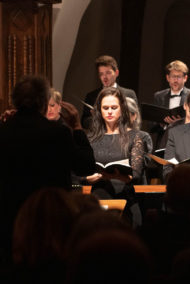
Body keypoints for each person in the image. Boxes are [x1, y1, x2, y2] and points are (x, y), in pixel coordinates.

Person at [0, 75, 96, 263]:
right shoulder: (57, 133)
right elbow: (86, 166)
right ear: (43, 102)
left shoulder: (3, 131)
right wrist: (77, 127)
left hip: (9, 218)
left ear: (15, 101)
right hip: (50, 219)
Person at [84, 87, 145, 227]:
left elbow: (136, 175)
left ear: (122, 109)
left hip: (125, 202)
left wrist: (116, 176)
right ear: (99, 110)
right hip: (97, 202)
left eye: (114, 107)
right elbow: (78, 174)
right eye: (105, 108)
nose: (110, 111)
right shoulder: (90, 138)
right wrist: (88, 178)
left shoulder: (135, 137)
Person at [81, 55, 138, 130]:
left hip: (123, 137)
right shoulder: (91, 96)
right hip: (99, 138)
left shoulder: (129, 94)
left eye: (108, 73)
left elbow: (135, 119)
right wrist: (97, 118)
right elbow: (84, 122)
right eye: (101, 74)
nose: (104, 77)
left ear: (116, 73)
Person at [151, 60, 190, 149]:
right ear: (167, 78)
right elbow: (151, 125)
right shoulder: (159, 96)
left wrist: (179, 122)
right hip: (164, 142)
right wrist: (162, 124)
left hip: (185, 141)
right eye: (173, 76)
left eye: (179, 77)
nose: (175, 80)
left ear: (185, 78)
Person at [126, 97, 153, 184]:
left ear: (134, 116)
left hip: (134, 186)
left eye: (125, 113)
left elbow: (137, 170)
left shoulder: (143, 136)